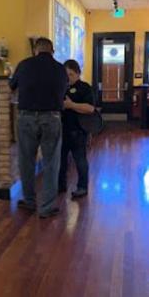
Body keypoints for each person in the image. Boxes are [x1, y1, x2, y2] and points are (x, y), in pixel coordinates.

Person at [9, 37, 68, 218]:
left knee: (26, 161)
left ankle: (29, 201)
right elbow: (63, 92)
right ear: (52, 51)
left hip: (26, 117)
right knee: (51, 163)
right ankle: (46, 207)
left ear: (35, 50)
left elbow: (12, 87)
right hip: (51, 117)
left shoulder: (24, 65)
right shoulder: (60, 69)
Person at [58, 60, 96, 199]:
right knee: (60, 161)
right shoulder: (60, 88)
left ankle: (82, 187)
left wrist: (71, 105)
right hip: (61, 130)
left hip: (78, 131)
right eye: (66, 75)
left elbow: (90, 108)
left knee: (80, 160)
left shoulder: (85, 88)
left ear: (78, 73)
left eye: (71, 74)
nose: (68, 77)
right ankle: (60, 186)